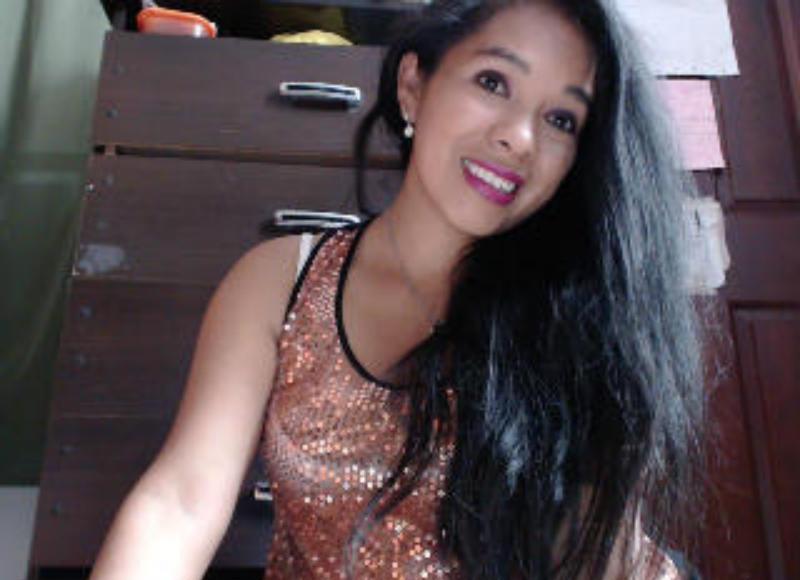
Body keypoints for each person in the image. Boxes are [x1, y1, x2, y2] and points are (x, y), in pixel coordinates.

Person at [89, 0, 707, 578]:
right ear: (414, 85)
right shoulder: (279, 283)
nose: (520, 138)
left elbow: (600, 554)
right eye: (493, 82)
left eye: (561, 119)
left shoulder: (574, 327)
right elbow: (180, 503)